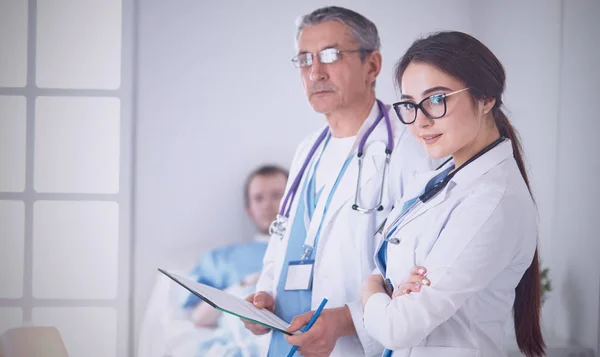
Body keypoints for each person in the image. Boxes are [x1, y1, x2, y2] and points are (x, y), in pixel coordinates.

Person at [242, 6, 435, 357]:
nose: (315, 72)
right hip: (288, 338)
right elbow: (283, 241)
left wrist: (348, 321)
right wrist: (264, 295)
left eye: (331, 56)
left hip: (356, 347)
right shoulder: (308, 149)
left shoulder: (411, 149)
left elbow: (422, 275)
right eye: (304, 59)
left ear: (372, 65)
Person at [360, 31, 545, 357]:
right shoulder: (437, 181)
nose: (420, 122)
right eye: (410, 105)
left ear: (486, 98)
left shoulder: (492, 202)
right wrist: (388, 287)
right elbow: (386, 271)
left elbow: (397, 327)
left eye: (436, 99)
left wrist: (369, 290)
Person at [181, 164, 289, 325]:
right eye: (258, 198)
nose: (267, 204)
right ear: (249, 209)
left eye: (276, 195)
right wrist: (244, 284)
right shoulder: (222, 259)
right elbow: (198, 318)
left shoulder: (311, 253)